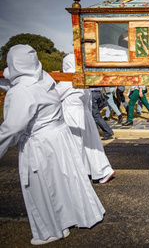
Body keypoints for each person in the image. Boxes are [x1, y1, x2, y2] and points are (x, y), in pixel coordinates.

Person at [0, 45, 105, 245]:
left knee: (42, 186)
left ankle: (51, 229)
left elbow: (13, 128)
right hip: (59, 136)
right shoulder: (45, 79)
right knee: (63, 180)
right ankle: (71, 217)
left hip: (40, 142)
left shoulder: (20, 91)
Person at [56, 55, 116, 184]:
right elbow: (89, 102)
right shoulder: (83, 80)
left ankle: (80, 173)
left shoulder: (67, 81)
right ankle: (102, 170)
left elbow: (53, 96)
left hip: (72, 115)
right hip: (86, 114)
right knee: (92, 145)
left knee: (76, 145)